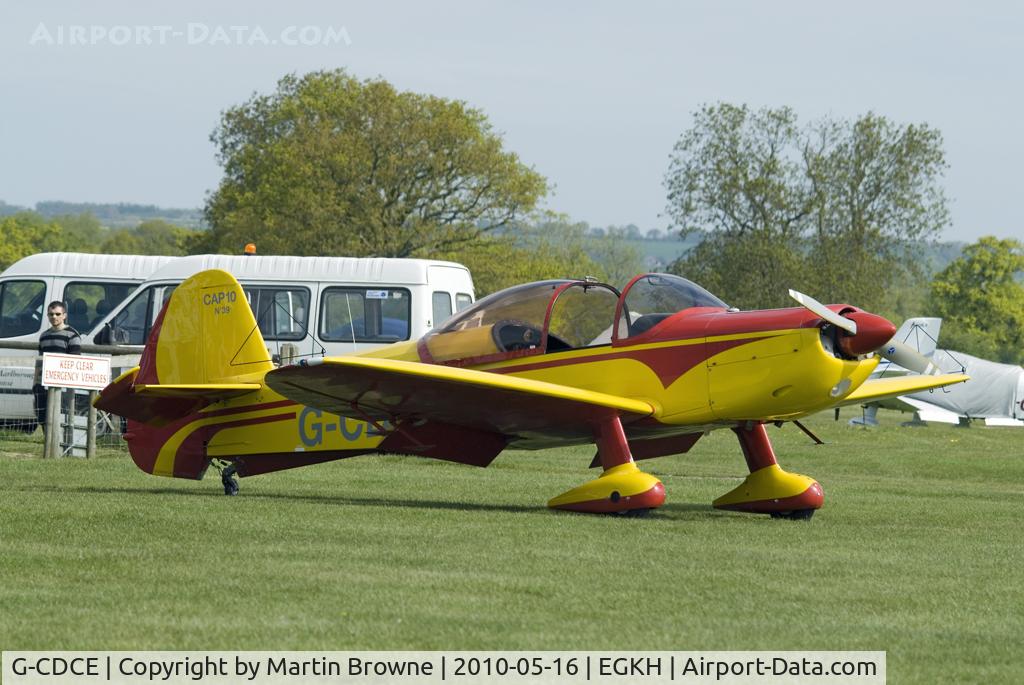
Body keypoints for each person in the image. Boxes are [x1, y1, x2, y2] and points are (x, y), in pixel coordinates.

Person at [33, 301, 82, 429]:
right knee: (43, 418)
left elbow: (75, 362)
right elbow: (39, 362)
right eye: (51, 314)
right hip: (43, 383)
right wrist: (35, 383)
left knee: (62, 419)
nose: (54, 317)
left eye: (57, 314)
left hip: (63, 385)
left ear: (64, 315)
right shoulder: (44, 336)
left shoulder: (73, 335)